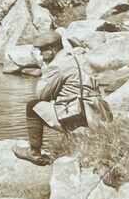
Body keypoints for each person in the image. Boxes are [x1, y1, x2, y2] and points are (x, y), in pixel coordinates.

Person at [12, 37, 111, 166]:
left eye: (42, 51)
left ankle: (34, 152)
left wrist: (44, 68)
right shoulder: (80, 58)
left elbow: (41, 95)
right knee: (66, 101)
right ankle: (74, 140)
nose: (41, 55)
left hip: (79, 116)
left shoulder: (57, 65)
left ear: (52, 50)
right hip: (98, 113)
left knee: (32, 106)